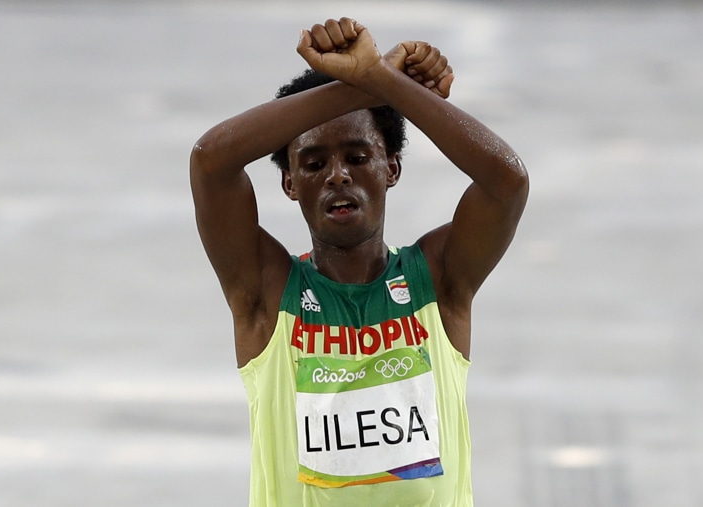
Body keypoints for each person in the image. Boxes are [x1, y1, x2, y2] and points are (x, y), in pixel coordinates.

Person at [190, 17, 528, 507]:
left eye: (357, 156)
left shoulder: (439, 280)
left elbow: (508, 182)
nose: (338, 177)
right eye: (313, 164)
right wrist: (364, 85)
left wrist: (385, 84)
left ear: (391, 167)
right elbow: (210, 162)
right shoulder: (266, 293)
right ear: (289, 184)